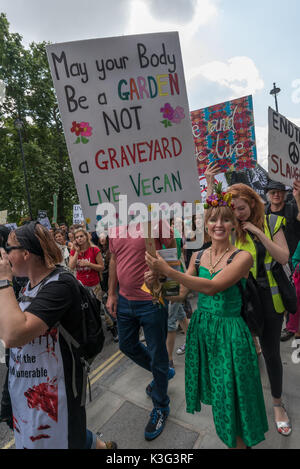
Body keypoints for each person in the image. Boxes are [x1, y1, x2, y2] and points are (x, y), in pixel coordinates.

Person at [145, 190, 268, 449]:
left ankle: (239, 444)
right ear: (206, 225)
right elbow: (178, 295)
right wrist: (158, 282)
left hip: (231, 335)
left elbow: (212, 287)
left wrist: (168, 270)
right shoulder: (198, 256)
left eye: (225, 219)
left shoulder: (242, 257)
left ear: (234, 224)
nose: (219, 225)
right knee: (221, 399)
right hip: (203, 332)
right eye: (213, 220)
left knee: (235, 398)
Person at [0, 221, 116, 449]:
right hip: (27, 389)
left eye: (9, 249)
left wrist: (3, 280)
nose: (5, 256)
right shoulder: (28, 287)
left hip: (54, 396)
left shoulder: (60, 285)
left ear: (26, 253)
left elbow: (14, 334)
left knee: (58, 440)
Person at [205, 165, 291, 436]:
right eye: (232, 210)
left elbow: (283, 257)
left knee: (271, 353)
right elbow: (211, 216)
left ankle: (277, 403)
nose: (234, 214)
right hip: (238, 301)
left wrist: (258, 230)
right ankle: (244, 403)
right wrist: (210, 186)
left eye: (240, 209)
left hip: (269, 299)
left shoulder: (273, 222)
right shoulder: (229, 228)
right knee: (243, 354)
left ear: (253, 204)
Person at [106, 221, 176, 441]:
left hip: (152, 299)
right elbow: (114, 260)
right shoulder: (114, 224)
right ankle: (161, 373)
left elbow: (171, 250)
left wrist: (164, 280)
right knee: (126, 345)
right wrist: (111, 293)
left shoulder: (153, 218)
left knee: (158, 354)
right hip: (125, 300)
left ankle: (161, 406)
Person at [264, 179, 300, 342]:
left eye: (279, 191)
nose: (276, 194)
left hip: (291, 258)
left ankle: (290, 326)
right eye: (273, 192)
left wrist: (298, 198)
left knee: (290, 292)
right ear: (268, 195)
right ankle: (283, 322)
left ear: (285, 194)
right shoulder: (263, 212)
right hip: (270, 259)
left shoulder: (292, 209)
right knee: (277, 293)